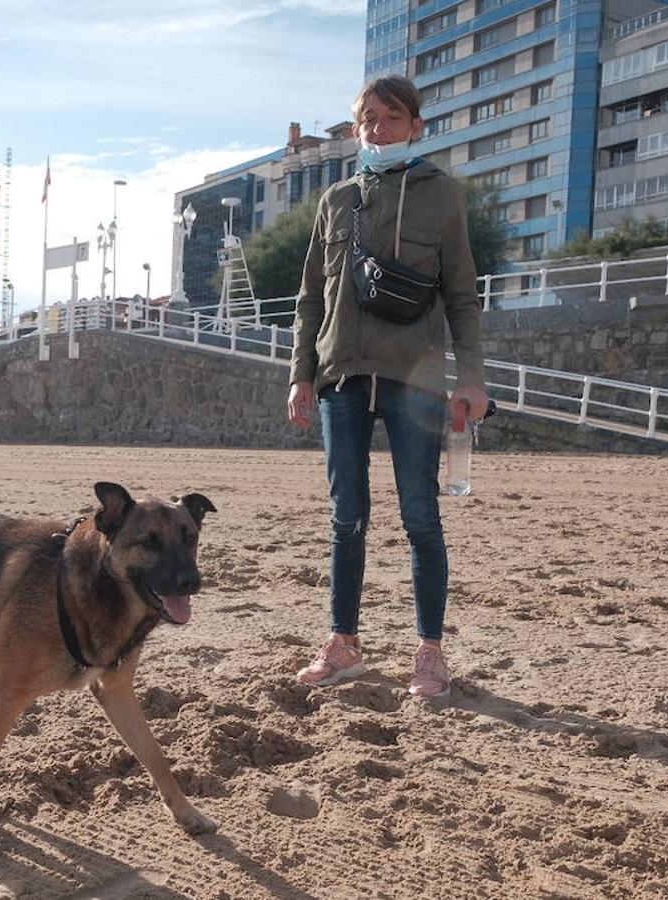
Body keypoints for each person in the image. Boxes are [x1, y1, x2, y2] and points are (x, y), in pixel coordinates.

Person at [287, 75, 490, 699]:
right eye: (366, 118)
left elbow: (461, 293)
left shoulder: (443, 195)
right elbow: (309, 298)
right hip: (342, 374)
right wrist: (300, 374)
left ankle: (429, 653)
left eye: (389, 117)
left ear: (416, 126)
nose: (376, 128)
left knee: (420, 515)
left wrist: (472, 378)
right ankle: (342, 644)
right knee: (346, 516)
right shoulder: (337, 200)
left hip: (416, 376)